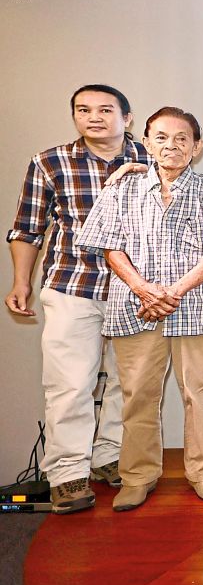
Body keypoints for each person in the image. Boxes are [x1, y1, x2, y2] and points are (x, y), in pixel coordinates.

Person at [76, 107, 203, 511]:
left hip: (195, 309)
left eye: (182, 138)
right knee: (137, 397)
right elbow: (108, 244)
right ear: (147, 143)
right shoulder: (121, 189)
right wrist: (144, 290)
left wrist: (174, 292)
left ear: (197, 146)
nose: (172, 145)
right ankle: (137, 477)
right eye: (162, 137)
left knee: (200, 395)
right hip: (135, 308)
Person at [6, 85, 151, 514]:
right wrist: (21, 281)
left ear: (127, 117)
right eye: (83, 110)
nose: (94, 117)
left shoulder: (151, 160)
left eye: (106, 110)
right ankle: (67, 474)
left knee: (130, 386)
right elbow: (27, 228)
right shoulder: (49, 162)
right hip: (73, 286)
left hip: (136, 292)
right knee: (69, 386)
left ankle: (110, 458)